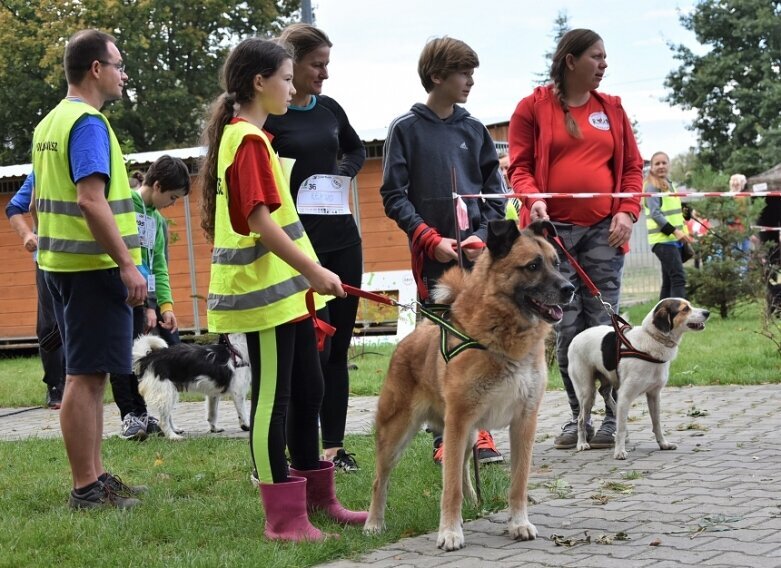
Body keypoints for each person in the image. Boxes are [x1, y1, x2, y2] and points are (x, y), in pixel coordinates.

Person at [199, 37, 367, 541]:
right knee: (273, 400)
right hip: (263, 296)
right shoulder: (247, 141)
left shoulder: (257, 138)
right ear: (259, 82)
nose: (293, 88)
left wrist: (308, 278)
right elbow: (260, 224)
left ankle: (318, 499)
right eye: (288, 78)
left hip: (287, 292)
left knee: (310, 388)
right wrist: (315, 271)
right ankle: (283, 518)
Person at [507, 28, 643, 451]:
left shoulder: (613, 110)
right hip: (552, 239)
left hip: (606, 231)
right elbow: (519, 167)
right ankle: (576, 417)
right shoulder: (532, 108)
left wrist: (626, 210)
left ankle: (610, 418)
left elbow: (633, 170)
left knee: (605, 327)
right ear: (571, 60)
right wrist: (533, 202)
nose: (604, 65)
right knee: (566, 328)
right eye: (596, 57)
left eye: (605, 57)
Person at [33, 29, 148, 509]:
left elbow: (41, 200)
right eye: (118, 65)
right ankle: (86, 487)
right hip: (92, 268)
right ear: (96, 69)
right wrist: (126, 262)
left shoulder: (49, 124)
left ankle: (96, 477)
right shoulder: (88, 123)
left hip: (62, 266)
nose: (124, 74)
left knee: (94, 373)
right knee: (83, 376)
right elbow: (89, 199)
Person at [380, 36, 506, 466]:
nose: (470, 81)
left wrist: (485, 235)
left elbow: (495, 191)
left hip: (477, 260)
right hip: (431, 259)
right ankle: (443, 434)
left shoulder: (474, 130)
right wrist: (429, 239)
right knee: (440, 342)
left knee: (480, 340)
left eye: (472, 73)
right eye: (463, 73)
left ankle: (481, 432)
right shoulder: (405, 129)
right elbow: (394, 196)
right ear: (437, 77)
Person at [265, 24, 365, 472]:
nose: (324, 73)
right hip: (298, 249)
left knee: (338, 349)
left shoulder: (329, 109)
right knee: (309, 354)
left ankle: (334, 448)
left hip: (343, 241)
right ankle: (292, 453)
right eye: (316, 65)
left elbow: (356, 148)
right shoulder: (270, 118)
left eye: (327, 65)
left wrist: (339, 174)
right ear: (293, 64)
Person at [109, 155, 190, 440]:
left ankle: (144, 414)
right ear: (156, 185)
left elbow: (158, 265)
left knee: (143, 357)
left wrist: (164, 305)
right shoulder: (124, 206)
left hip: (146, 298)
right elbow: (127, 255)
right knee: (122, 354)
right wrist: (146, 304)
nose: (173, 203)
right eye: (172, 196)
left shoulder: (157, 221)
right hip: (123, 294)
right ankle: (129, 415)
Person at [5, 172, 67, 409]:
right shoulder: (40, 172)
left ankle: (79, 380)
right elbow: (13, 208)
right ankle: (55, 386)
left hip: (82, 257)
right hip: (47, 260)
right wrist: (27, 234)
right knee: (50, 323)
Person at [643, 151, 693, 299]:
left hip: (673, 240)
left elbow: (675, 211)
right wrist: (676, 232)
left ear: (669, 165)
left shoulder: (670, 184)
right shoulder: (651, 186)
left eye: (664, 163)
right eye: (657, 163)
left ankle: (661, 319)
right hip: (663, 240)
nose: (661, 166)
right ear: (651, 167)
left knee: (669, 282)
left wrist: (688, 213)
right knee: (678, 279)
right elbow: (655, 213)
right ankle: (680, 317)